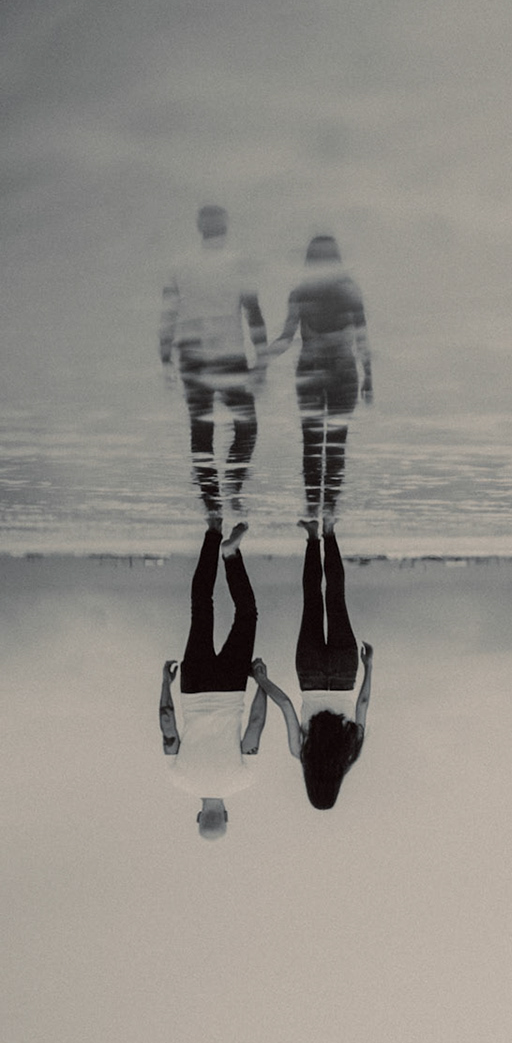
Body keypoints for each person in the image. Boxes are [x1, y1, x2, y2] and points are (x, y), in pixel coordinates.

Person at [157, 520, 273, 838]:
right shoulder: (177, 778)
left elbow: (255, 726)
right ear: (198, 816)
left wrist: (261, 681)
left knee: (247, 614)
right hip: (192, 687)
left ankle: (231, 554)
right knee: (201, 608)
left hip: (232, 688)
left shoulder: (242, 780)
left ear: (226, 815)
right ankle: (213, 530)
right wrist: (165, 684)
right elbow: (168, 724)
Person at [159, 205, 268, 521]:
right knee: (246, 427)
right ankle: (232, 490)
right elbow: (254, 312)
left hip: (192, 356)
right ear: (226, 226)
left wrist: (165, 357)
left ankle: (212, 506)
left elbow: (168, 315)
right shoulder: (239, 264)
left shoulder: (180, 265)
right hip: (230, 355)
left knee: (201, 429)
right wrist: (261, 358)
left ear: (199, 227)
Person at [255, 523, 372, 809]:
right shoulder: (301, 753)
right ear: (310, 786)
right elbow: (283, 704)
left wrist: (369, 666)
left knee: (336, 598)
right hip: (310, 673)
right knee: (312, 600)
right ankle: (311, 535)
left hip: (345, 672)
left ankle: (329, 529)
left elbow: (364, 704)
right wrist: (261, 679)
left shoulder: (351, 754)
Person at [259, 234, 371, 526]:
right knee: (334, 444)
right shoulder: (349, 291)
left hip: (312, 372)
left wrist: (262, 361)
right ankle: (327, 513)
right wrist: (368, 376)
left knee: (313, 444)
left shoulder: (301, 293)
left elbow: (286, 337)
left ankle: (314, 510)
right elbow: (362, 340)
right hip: (343, 372)